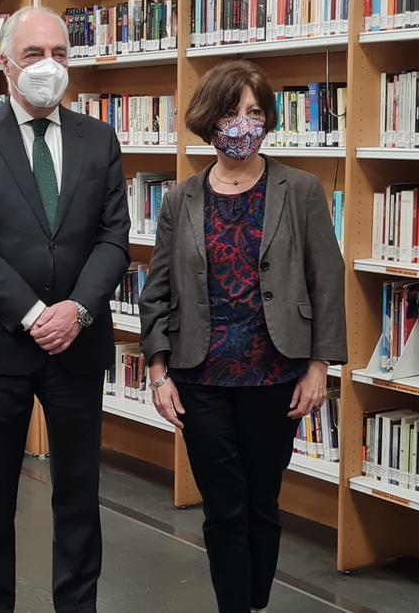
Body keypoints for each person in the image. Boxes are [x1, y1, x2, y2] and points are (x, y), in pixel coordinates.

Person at [138, 60, 347, 613]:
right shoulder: (181, 199)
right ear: (209, 120)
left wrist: (320, 367)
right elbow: (156, 289)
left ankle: (254, 602)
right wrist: (157, 373)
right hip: (199, 375)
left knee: (262, 503)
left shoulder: (299, 190)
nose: (243, 124)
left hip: (275, 373)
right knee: (223, 507)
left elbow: (327, 282)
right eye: (232, 112)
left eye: (255, 112)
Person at [0, 6, 130, 613]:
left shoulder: (98, 138)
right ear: (5, 65)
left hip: (77, 342)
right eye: (33, 54)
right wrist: (32, 313)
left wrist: (74, 310)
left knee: (78, 491)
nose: (48, 66)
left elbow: (114, 239)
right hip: (1, 343)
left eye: (60, 53)